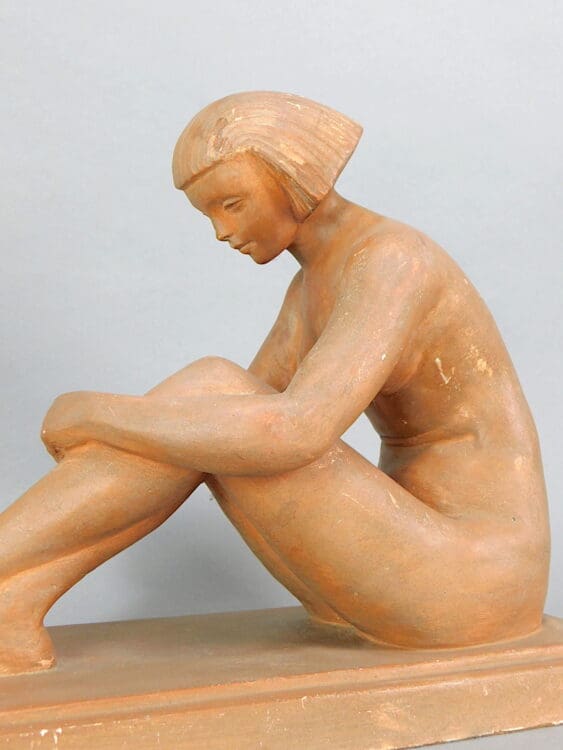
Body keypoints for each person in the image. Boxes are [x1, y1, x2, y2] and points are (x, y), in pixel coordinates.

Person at [0, 91, 550, 675]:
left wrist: (93, 415)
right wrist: (116, 423)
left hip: (475, 579)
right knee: (207, 420)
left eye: (233, 204)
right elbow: (219, 430)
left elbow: (292, 433)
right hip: (401, 562)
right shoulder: (313, 285)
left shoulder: (393, 260)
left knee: (211, 392)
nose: (221, 231)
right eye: (210, 214)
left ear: (294, 179)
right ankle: (15, 593)